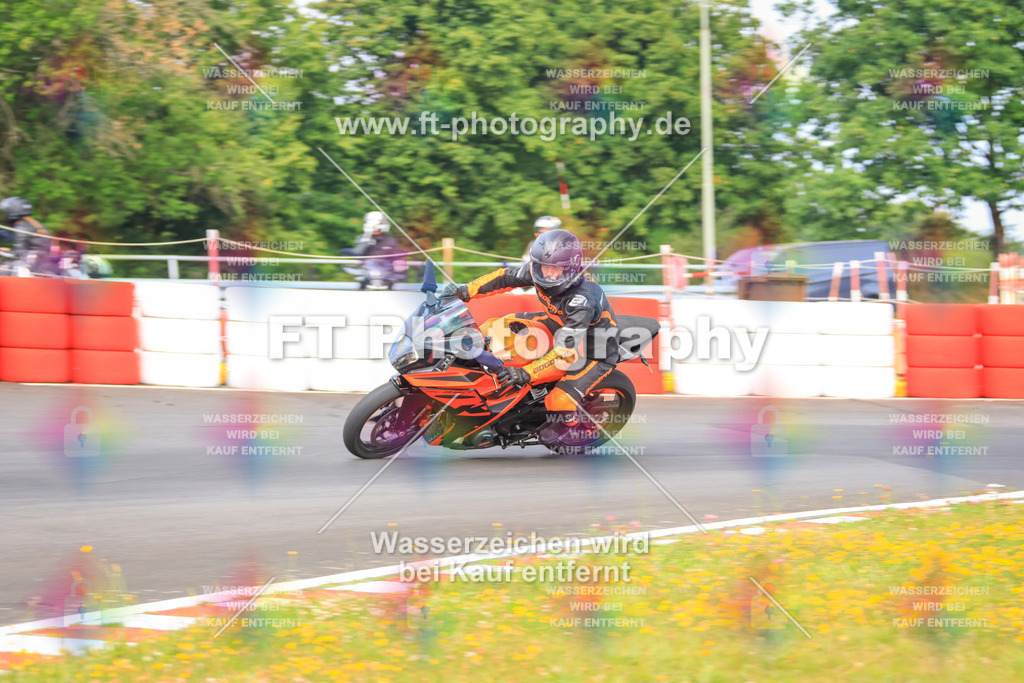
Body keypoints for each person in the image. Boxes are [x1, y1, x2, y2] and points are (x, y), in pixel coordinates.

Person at [441, 228, 618, 445]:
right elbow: (503, 278)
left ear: (571, 268)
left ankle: (575, 429)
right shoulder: (538, 272)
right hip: (559, 323)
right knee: (497, 328)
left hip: (594, 349)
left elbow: (565, 353)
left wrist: (526, 373)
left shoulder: (581, 300)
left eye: (557, 268)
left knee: (559, 400)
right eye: (544, 265)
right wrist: (465, 290)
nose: (548, 273)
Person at [0, 196, 58, 275]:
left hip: (27, 270)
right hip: (41, 269)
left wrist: (2, 252)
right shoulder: (40, 226)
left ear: (12, 211)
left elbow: (18, 254)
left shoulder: (21, 227)